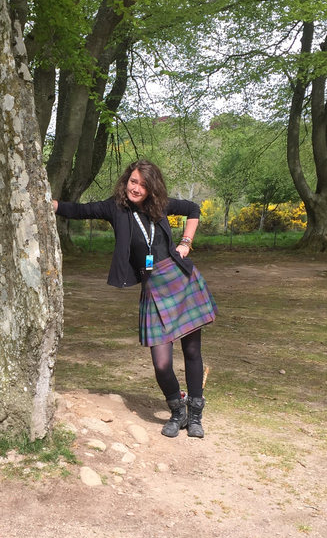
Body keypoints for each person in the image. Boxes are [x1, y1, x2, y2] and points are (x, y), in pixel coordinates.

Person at [53, 159, 216, 438]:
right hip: (153, 287)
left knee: (192, 351)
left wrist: (185, 244)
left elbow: (192, 209)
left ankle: (196, 415)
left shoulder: (161, 205)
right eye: (133, 181)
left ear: (152, 187)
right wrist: (49, 203)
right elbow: (78, 210)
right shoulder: (114, 207)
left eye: (142, 184)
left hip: (180, 279)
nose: (136, 188)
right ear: (126, 180)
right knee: (162, 363)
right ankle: (178, 411)